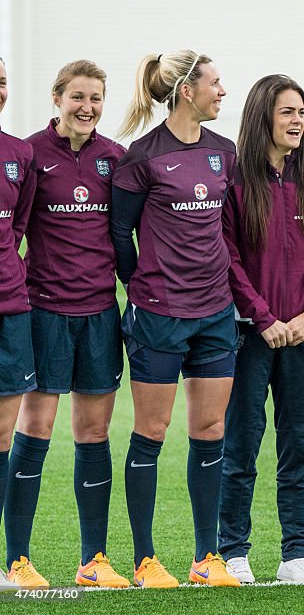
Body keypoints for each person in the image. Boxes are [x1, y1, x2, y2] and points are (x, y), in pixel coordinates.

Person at [110, 50, 240, 588]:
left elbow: (227, 228)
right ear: (187, 90)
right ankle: (146, 560)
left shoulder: (224, 152)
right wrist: (146, 284)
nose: (222, 92)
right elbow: (121, 234)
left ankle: (206, 558)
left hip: (216, 312)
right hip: (159, 314)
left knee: (210, 429)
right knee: (153, 430)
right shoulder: (141, 157)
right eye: (215, 83)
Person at [217, 74, 304, 585]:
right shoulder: (235, 181)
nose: (297, 122)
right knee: (241, 446)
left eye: (301, 113)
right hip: (250, 336)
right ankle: (233, 552)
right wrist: (263, 317)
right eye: (287, 113)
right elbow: (226, 256)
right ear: (262, 118)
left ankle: (298, 554)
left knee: (300, 447)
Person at [5, 60, 129, 590]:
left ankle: (93, 560)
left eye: (96, 98)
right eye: (77, 97)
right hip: (45, 312)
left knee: (94, 432)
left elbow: (123, 233)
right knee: (34, 429)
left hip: (100, 312)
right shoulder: (30, 155)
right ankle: (16, 560)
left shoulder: (113, 159)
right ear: (57, 98)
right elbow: (17, 229)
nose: (87, 108)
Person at [0, 56, 38, 589]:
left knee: (1, 437)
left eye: (2, 81)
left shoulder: (19, 154)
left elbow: (21, 227)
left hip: (11, 306)